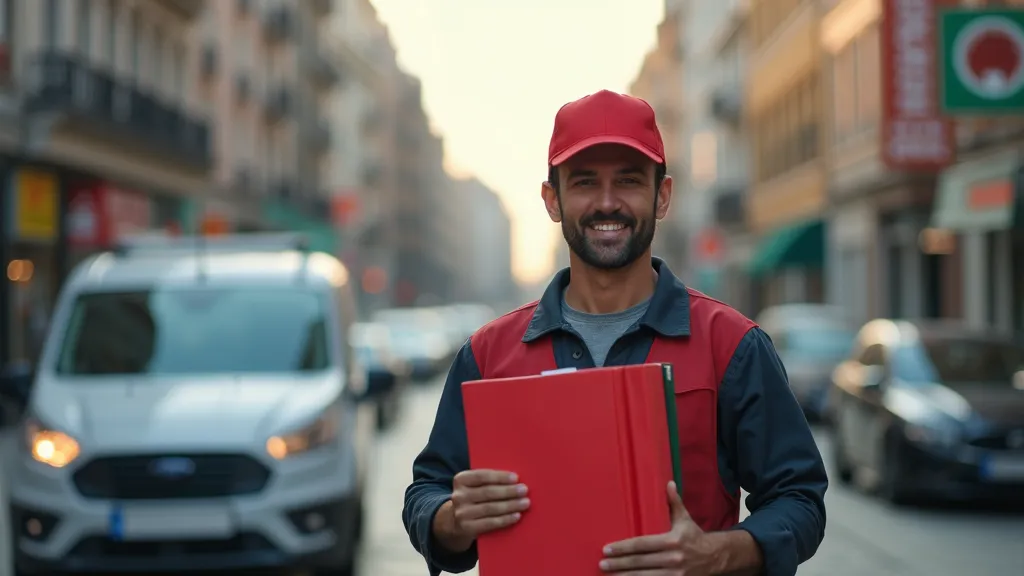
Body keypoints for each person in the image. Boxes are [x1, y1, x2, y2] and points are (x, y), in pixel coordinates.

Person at [403, 89, 827, 576]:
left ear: (661, 195)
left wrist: (717, 553)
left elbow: (800, 499)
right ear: (552, 199)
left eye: (627, 181)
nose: (607, 203)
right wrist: (453, 519)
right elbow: (425, 492)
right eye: (584, 183)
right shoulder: (486, 354)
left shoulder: (731, 345)